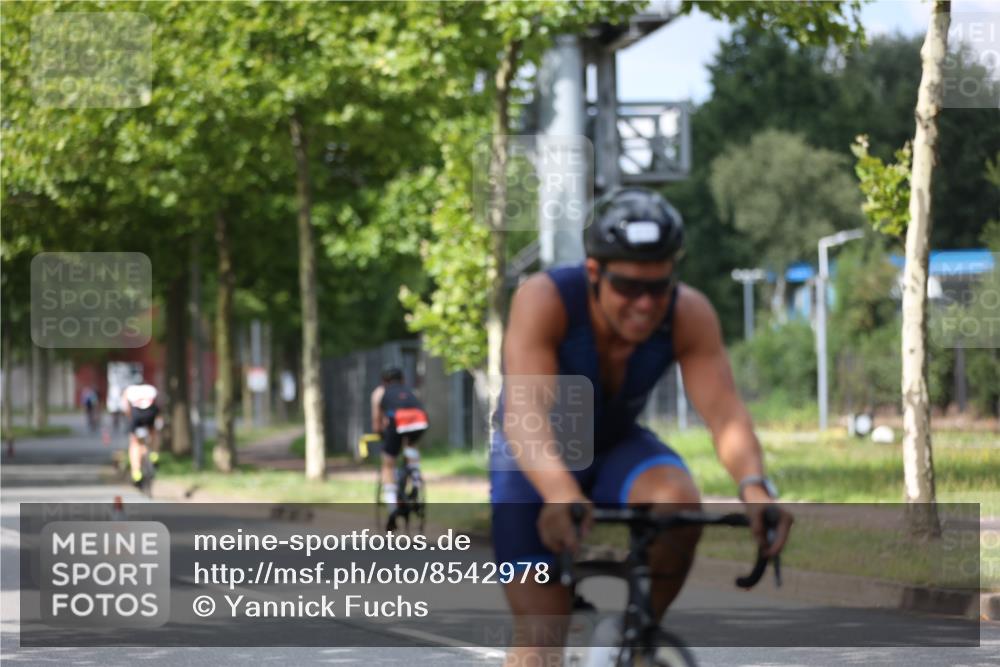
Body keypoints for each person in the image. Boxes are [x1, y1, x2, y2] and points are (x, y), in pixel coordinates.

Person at [491, 187, 794, 664]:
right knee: (540, 641)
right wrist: (558, 491)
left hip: (614, 446)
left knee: (678, 501)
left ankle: (633, 642)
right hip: (534, 455)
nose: (645, 304)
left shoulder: (689, 313)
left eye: (658, 287)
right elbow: (525, 414)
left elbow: (725, 414)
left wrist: (755, 487)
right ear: (594, 273)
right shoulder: (544, 299)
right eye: (628, 287)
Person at [371, 367, 429, 509]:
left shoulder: (380, 392)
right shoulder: (410, 391)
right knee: (410, 445)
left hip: (397, 422)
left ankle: (392, 506)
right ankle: (415, 479)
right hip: (419, 421)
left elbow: (377, 423)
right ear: (402, 379)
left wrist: (380, 433)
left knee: (388, 463)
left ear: (384, 381)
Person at [120, 376, 161, 488]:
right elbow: (158, 404)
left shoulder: (129, 389)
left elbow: (126, 407)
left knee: (135, 443)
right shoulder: (151, 388)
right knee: (154, 433)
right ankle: (154, 454)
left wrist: (130, 419)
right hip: (150, 414)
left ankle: (136, 472)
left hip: (136, 415)